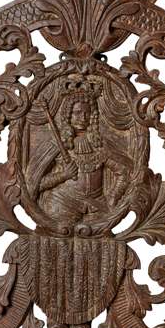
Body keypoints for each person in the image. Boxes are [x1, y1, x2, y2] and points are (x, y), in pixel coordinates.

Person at [37, 74, 129, 225]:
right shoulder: (58, 144)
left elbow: (123, 172)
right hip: (62, 202)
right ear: (68, 115)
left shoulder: (98, 144)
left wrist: (113, 196)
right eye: (77, 113)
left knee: (99, 237)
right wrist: (63, 175)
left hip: (96, 206)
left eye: (87, 113)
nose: (83, 117)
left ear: (92, 116)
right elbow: (37, 183)